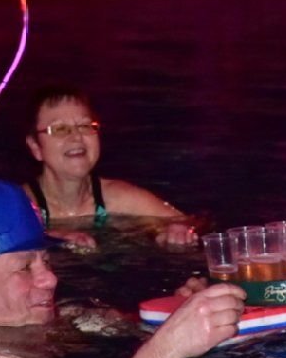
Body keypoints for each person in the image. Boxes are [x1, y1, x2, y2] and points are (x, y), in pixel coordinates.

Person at [0, 176, 241, 358]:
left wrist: (179, 310)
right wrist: (161, 353)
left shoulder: (62, 317)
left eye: (45, 260)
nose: (50, 280)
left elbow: (140, 328)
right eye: (25, 267)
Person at [23, 84, 196, 248]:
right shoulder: (19, 205)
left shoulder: (120, 198)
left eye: (84, 126)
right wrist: (51, 237)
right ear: (35, 147)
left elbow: (189, 221)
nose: (76, 137)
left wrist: (177, 231)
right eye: (60, 129)